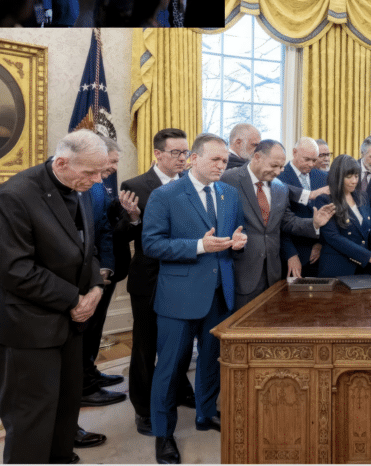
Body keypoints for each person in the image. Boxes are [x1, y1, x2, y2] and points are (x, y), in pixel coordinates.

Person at [0, 129, 107, 464]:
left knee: (65, 408)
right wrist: (74, 299)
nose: (97, 181)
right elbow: (15, 270)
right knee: (31, 419)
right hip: (26, 326)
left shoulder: (79, 189)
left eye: (101, 172)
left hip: (68, 325)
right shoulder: (14, 196)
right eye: (90, 173)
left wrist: (95, 287)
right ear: (63, 163)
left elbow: (87, 249)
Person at [142, 133, 247, 464]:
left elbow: (231, 235)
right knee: (170, 369)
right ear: (194, 159)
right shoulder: (165, 196)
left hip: (219, 294)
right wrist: (199, 246)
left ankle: (205, 413)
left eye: (225, 161)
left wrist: (238, 242)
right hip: (178, 298)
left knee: (211, 361)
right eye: (215, 160)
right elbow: (152, 245)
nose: (221, 166)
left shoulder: (229, 194)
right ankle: (163, 434)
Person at [115, 128, 195, 436]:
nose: (181, 159)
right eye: (175, 153)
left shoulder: (192, 185)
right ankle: (144, 408)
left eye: (185, 153)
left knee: (182, 343)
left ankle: (177, 390)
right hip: (150, 279)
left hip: (186, 277)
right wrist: (133, 218)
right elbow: (120, 235)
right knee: (146, 347)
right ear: (157, 154)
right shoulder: (134, 186)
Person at [220, 140, 334, 309]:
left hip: (273, 273)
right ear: (257, 157)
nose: (279, 171)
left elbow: (288, 222)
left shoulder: (280, 188)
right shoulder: (229, 179)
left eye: (281, 167)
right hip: (242, 272)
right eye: (274, 166)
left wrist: (314, 223)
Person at [80, 136, 126, 416]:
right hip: (81, 273)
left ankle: (90, 371)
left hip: (100, 270)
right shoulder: (79, 185)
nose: (113, 168)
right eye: (111, 161)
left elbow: (104, 228)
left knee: (94, 329)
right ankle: (84, 387)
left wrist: (106, 267)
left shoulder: (98, 187)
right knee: (84, 331)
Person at [315, 154, 371, 277]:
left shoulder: (363, 196)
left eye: (356, 176)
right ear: (338, 177)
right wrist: (368, 256)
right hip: (337, 267)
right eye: (349, 177)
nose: (354, 181)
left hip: (363, 267)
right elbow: (333, 237)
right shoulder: (325, 200)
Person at [277, 137, 330, 277]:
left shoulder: (323, 177)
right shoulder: (279, 178)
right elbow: (279, 223)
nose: (312, 164)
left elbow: (329, 214)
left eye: (314, 160)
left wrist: (320, 244)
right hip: (292, 255)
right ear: (294, 152)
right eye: (307, 159)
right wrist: (290, 254)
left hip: (320, 255)